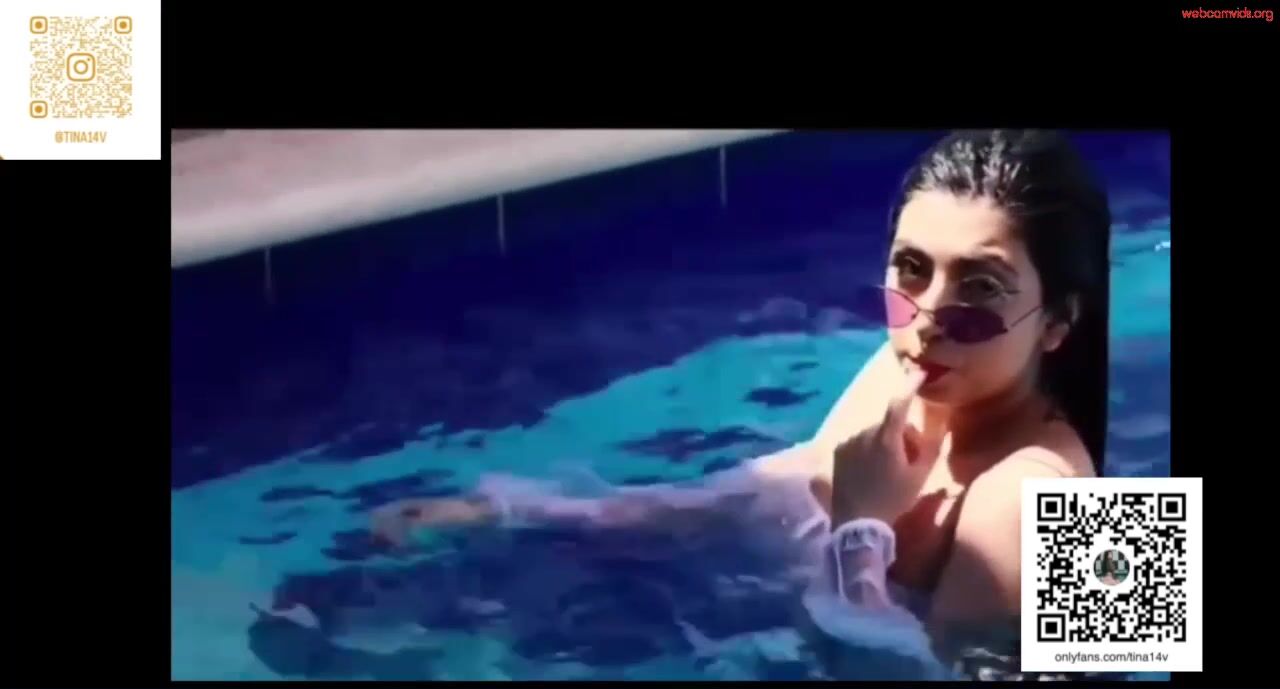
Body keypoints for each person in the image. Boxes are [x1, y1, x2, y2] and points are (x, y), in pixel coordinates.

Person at [368, 129, 1111, 673]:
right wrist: (526, 511)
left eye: (980, 287)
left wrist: (860, 532)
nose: (926, 318)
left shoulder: (1030, 500)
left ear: (1058, 321)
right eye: (911, 270)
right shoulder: (911, 376)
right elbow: (781, 486)